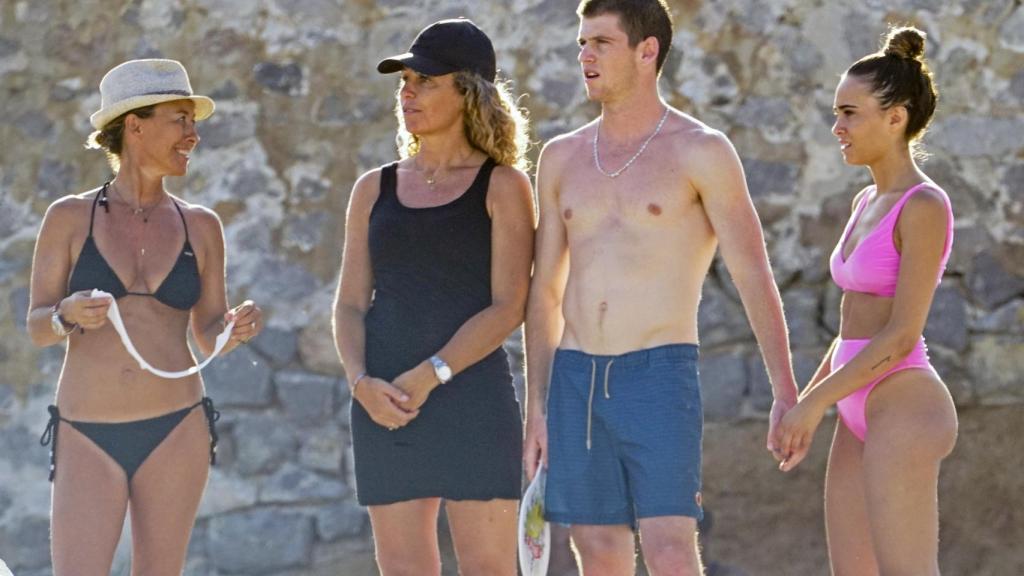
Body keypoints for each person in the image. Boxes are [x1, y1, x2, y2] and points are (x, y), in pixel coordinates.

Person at [522, 1, 799, 574]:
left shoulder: (702, 151)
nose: (585, 55)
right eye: (582, 42)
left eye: (601, 42)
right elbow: (544, 292)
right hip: (575, 375)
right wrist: (539, 407)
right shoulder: (560, 157)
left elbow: (752, 273)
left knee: (671, 550)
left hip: (658, 372)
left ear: (647, 51)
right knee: (595, 550)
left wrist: (785, 390)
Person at [27, 59, 262, 575]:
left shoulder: (202, 226)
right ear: (134, 124)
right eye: (180, 119)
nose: (193, 135)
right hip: (88, 431)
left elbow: (206, 334)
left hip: (177, 428)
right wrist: (65, 315)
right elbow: (37, 326)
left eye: (192, 122)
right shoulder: (68, 217)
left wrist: (233, 329)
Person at [332, 18, 535, 576]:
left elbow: (508, 307)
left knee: (491, 568)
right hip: (383, 401)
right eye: (404, 82)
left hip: (471, 398)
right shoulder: (373, 188)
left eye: (424, 81)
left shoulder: (504, 187)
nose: (408, 93)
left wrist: (431, 374)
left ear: (468, 92)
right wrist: (360, 384)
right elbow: (349, 304)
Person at [774, 26, 957, 574]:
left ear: (896, 117)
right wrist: (800, 405)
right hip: (855, 401)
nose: (838, 127)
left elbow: (901, 334)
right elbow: (851, 327)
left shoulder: (926, 205)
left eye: (850, 113)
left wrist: (815, 404)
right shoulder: (864, 200)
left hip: (905, 402)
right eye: (837, 112)